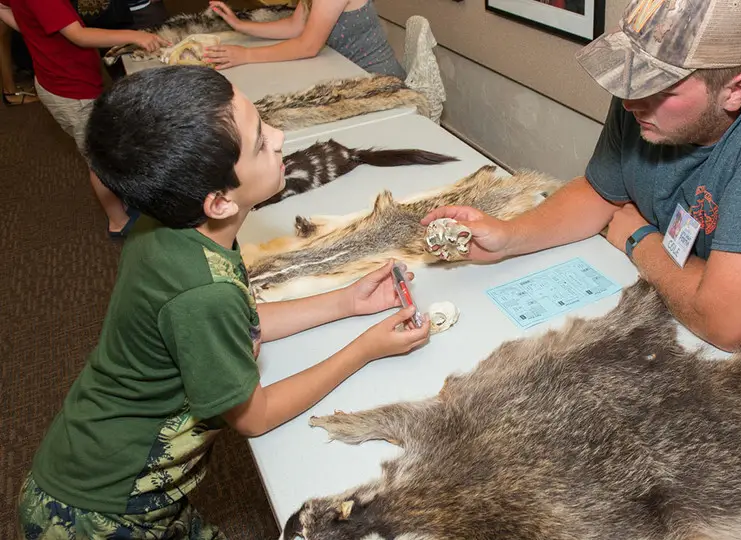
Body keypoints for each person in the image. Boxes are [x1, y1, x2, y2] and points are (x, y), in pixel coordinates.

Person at [17, 65, 431, 539]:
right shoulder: (202, 293)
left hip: (104, 474)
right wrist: (365, 348)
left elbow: (239, 319)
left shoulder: (170, 226)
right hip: (101, 515)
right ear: (218, 201)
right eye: (259, 141)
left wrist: (344, 302)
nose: (278, 137)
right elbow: (255, 416)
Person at [421, 0, 741, 390]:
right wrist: (508, 237)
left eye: (659, 87)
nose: (631, 100)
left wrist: (638, 237)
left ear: (737, 90)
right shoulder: (646, 96)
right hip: (676, 307)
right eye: (632, 76)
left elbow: (727, 323)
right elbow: (601, 193)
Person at [0, 0, 166, 237]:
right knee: (99, 157)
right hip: (72, 89)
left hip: (58, 79)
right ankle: (117, 221)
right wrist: (134, 36)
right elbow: (79, 35)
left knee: (104, 143)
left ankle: (122, 200)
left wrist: (33, 30)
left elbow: (4, 7)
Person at [203, 0, 406, 78]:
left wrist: (246, 54)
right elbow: (296, 25)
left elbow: (308, 46)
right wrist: (241, 25)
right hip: (345, 72)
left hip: (378, 80)